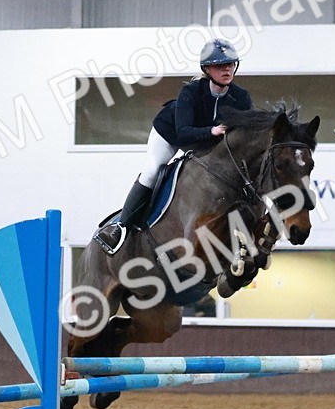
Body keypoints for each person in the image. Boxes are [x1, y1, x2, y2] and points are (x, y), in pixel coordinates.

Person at [96, 38, 254, 253]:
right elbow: (184, 132)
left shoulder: (242, 97)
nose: (227, 69)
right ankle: (121, 227)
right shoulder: (191, 92)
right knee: (153, 171)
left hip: (208, 144)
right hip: (171, 134)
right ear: (207, 69)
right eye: (220, 65)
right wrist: (212, 131)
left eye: (230, 64)